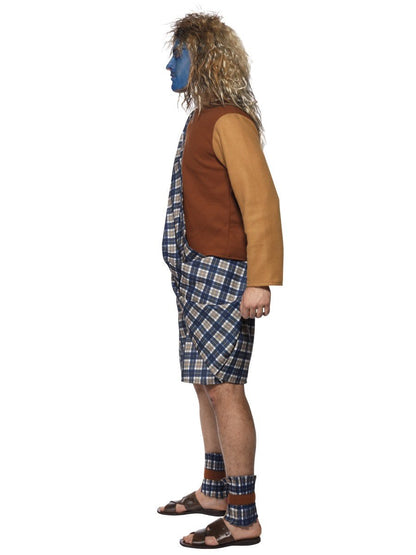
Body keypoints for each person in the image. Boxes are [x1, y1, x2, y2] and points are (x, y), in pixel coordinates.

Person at [158, 12, 284, 549]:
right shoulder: (201, 118)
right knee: (205, 383)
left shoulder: (229, 121)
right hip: (195, 272)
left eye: (179, 54)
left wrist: (261, 280)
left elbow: (262, 202)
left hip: (225, 273)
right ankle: (214, 491)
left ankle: (242, 516)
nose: (169, 65)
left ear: (205, 58)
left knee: (226, 388)